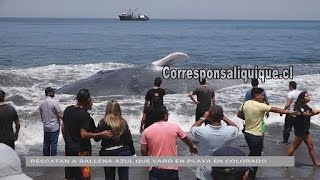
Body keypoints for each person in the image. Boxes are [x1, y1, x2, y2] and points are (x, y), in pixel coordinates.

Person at [237, 87, 298, 180]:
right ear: (256, 96)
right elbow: (276, 109)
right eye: (262, 95)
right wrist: (289, 112)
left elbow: (239, 115)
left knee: (253, 154)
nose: (263, 97)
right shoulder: (261, 106)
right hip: (256, 136)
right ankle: (249, 176)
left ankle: (246, 173)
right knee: (256, 157)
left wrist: (249, 119)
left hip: (247, 134)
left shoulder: (245, 103)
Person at [62, 89, 113, 180]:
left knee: (69, 177)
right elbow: (83, 134)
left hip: (69, 150)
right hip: (82, 152)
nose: (92, 103)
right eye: (91, 100)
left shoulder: (68, 109)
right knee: (84, 177)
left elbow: (63, 127)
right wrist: (101, 134)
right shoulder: (85, 115)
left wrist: (67, 141)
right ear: (88, 100)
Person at [140, 108, 198, 180]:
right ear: (165, 116)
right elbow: (186, 138)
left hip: (155, 167)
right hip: (171, 167)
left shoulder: (147, 130)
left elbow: (143, 149)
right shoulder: (175, 127)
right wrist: (191, 147)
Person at [191, 105, 238, 180]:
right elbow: (236, 128)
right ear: (221, 116)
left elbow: (193, 128)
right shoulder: (229, 132)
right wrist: (225, 118)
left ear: (209, 116)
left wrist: (203, 118)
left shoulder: (202, 131)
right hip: (222, 170)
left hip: (204, 172)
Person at [95, 100, 136, 180]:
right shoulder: (123, 122)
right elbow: (129, 140)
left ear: (107, 109)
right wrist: (133, 153)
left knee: (109, 177)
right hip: (123, 151)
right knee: (124, 177)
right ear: (118, 109)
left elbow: (96, 139)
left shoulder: (102, 122)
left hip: (108, 152)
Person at [287, 92, 320, 166]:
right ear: (302, 98)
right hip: (300, 130)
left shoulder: (306, 106)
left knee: (310, 146)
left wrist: (315, 111)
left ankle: (315, 162)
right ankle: (286, 162)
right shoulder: (299, 107)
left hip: (305, 130)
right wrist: (315, 113)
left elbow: (311, 111)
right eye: (307, 96)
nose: (308, 97)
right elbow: (306, 114)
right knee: (294, 146)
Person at [39, 87, 63, 156]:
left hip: (46, 127)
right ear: (49, 93)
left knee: (46, 144)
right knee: (53, 144)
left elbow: (41, 115)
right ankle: (53, 160)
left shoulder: (42, 103)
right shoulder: (54, 102)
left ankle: (46, 159)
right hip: (54, 127)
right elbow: (59, 114)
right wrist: (66, 122)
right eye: (52, 91)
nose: (54, 93)